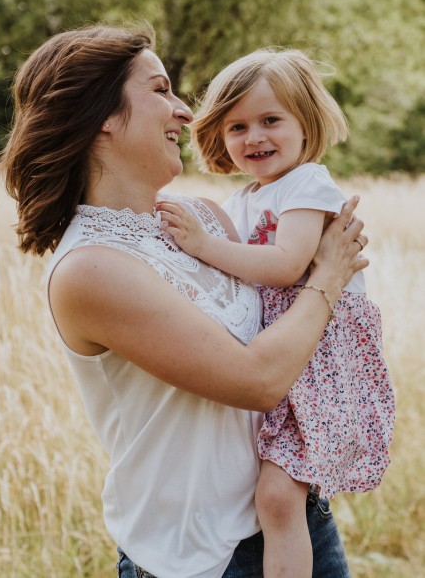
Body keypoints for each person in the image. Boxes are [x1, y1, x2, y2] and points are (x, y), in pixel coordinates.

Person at [1, 24, 369, 578]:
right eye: (161, 89)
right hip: (197, 560)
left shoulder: (204, 217)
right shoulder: (89, 269)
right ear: (103, 114)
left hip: (292, 521)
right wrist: (329, 276)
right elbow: (259, 380)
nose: (186, 112)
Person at [156, 48, 395, 578]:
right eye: (237, 126)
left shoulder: (309, 184)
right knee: (273, 491)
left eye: (270, 120)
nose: (254, 137)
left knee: (280, 497)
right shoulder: (245, 198)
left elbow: (285, 266)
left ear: (305, 122)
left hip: (320, 354)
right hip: (286, 352)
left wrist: (199, 244)